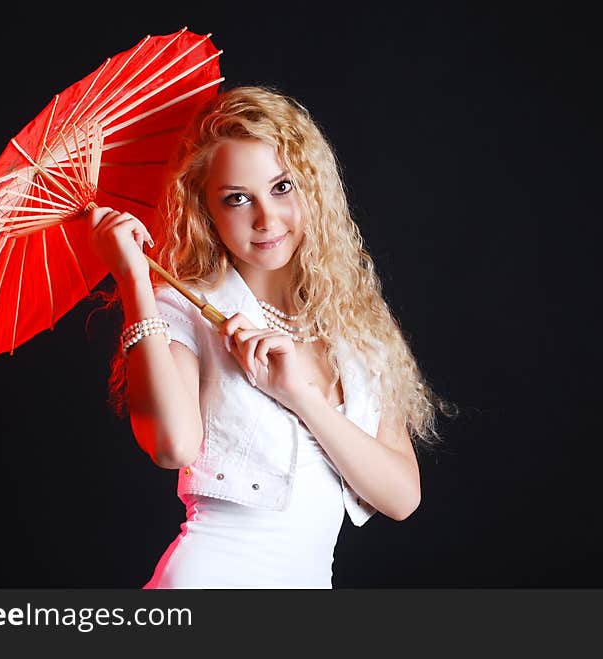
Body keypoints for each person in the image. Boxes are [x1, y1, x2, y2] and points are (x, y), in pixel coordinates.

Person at [87, 85, 456, 588]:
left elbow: (401, 497)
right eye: (237, 199)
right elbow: (172, 446)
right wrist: (134, 285)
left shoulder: (352, 317)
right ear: (205, 210)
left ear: (312, 186)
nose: (266, 219)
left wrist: (299, 394)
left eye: (282, 187)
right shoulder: (182, 307)